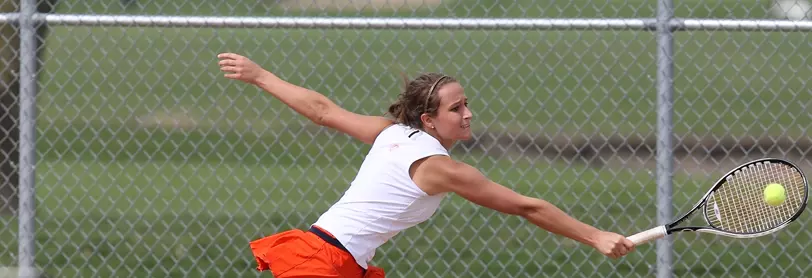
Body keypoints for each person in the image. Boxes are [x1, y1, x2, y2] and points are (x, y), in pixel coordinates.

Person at [216, 52, 636, 278]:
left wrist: (261, 76)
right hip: (324, 262)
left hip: (339, 259)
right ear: (429, 120)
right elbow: (527, 207)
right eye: (456, 108)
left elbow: (324, 111)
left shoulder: (392, 133)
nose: (468, 113)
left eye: (467, 103)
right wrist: (595, 235)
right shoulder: (440, 168)